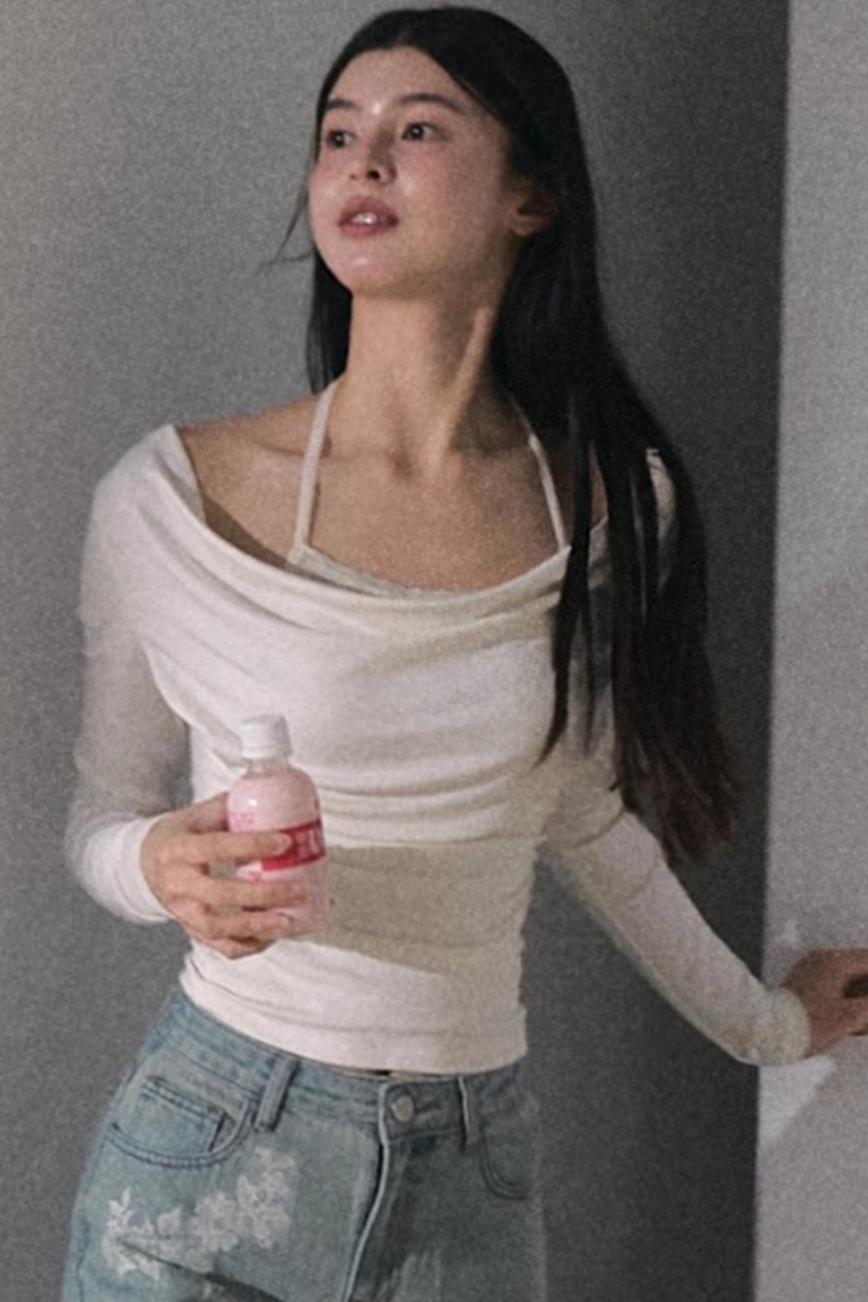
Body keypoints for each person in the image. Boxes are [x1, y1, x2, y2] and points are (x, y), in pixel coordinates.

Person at [61, 6, 868, 1299]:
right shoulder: (168, 502)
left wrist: (770, 1028)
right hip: (212, 1148)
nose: (365, 161)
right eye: (339, 136)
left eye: (419, 130)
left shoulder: (611, 506)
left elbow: (583, 813)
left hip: (471, 1164)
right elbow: (103, 816)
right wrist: (157, 862)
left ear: (531, 197)